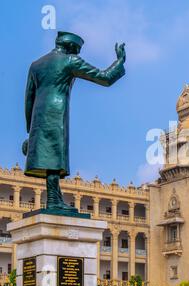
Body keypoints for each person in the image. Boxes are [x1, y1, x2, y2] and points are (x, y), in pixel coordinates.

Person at [23, 31, 126, 212]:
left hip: (39, 115)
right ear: (71, 47)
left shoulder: (36, 65)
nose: (77, 55)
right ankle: (54, 200)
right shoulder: (70, 61)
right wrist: (119, 62)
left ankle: (54, 198)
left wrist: (29, 131)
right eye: (77, 50)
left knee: (50, 157)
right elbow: (104, 77)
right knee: (55, 156)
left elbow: (28, 99)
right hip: (56, 112)